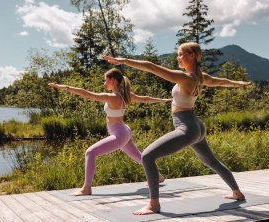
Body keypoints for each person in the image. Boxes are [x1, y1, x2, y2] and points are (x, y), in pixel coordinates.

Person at [103, 42, 250, 215]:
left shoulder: (185, 78)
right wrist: (238, 83)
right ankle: (236, 192)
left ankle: (154, 204)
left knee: (147, 156)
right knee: (211, 161)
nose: (178, 57)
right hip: (197, 126)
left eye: (181, 54)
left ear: (192, 56)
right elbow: (222, 82)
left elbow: (151, 67)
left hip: (187, 127)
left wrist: (124, 60)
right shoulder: (201, 77)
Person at [48, 68, 170, 196]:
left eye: (105, 80)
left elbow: (86, 94)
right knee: (137, 156)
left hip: (119, 134)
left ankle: (86, 188)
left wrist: (63, 87)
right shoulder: (126, 95)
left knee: (90, 152)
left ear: (113, 80)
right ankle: (157, 176)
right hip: (124, 130)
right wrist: (162, 100)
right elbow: (145, 99)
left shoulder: (112, 97)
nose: (104, 82)